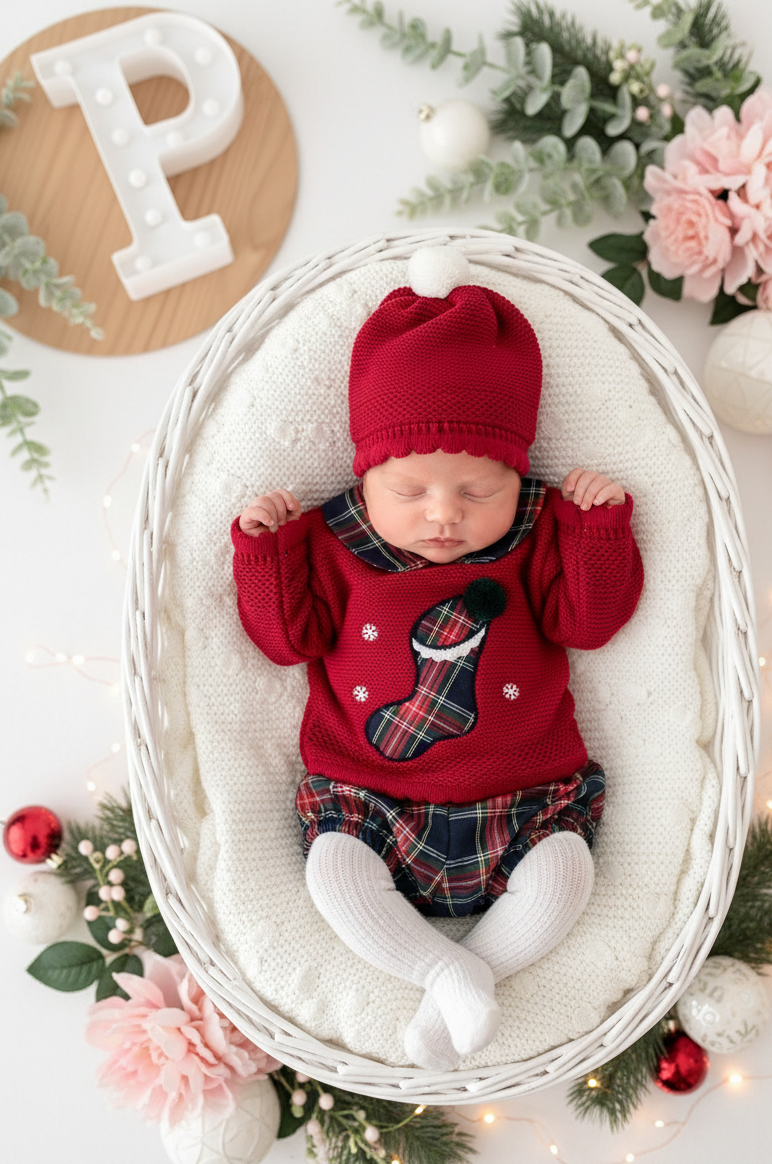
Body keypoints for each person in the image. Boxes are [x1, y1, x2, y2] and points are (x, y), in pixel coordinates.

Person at [231, 247, 644, 1070]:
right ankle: (446, 969)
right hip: (370, 798)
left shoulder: (536, 533)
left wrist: (597, 533)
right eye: (412, 492)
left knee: (567, 879)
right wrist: (265, 552)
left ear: (516, 475)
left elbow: (592, 624)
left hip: (525, 799)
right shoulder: (335, 542)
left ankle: (463, 982)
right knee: (335, 877)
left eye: (476, 492)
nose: (443, 516)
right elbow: (286, 641)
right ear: (366, 473)